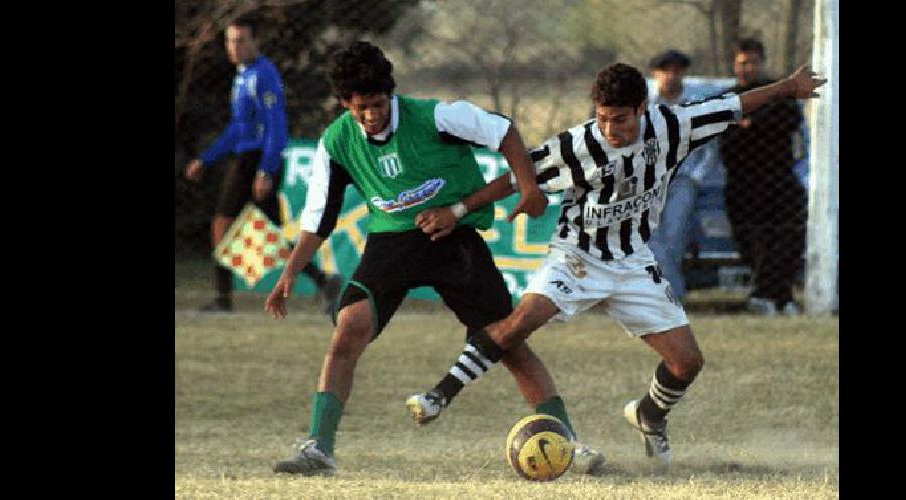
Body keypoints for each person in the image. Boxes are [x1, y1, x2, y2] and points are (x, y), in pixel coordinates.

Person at [406, 62, 825, 464]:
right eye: (603, 118)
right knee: (524, 319)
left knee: (687, 362)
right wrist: (458, 210)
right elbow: (517, 176)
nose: (611, 129)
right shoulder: (578, 144)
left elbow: (733, 106)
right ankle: (439, 394)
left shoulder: (673, 126)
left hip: (632, 260)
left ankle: (649, 416)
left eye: (620, 119)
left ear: (643, 109)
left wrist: (789, 87)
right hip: (577, 255)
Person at [263, 41, 604, 476]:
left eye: (378, 103)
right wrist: (290, 274)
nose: (371, 115)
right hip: (391, 245)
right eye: (360, 107)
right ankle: (319, 449)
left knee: (507, 342)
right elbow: (318, 218)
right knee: (349, 329)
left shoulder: (437, 117)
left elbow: (505, 132)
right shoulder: (336, 143)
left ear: (391, 93)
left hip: (454, 237)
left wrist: (529, 188)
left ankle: (569, 444)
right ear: (345, 103)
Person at [184, 15, 339, 313]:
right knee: (270, 236)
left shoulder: (263, 74)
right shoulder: (242, 75)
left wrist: (266, 169)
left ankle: (223, 299)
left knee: (222, 224)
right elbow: (238, 127)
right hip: (246, 158)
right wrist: (207, 158)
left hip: (256, 160)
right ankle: (323, 281)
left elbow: (276, 126)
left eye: (242, 40)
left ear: (256, 41)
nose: (235, 47)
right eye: (230, 40)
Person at [720, 38, 809, 316]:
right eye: (743, 62)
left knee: (789, 234)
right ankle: (775, 296)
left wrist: (751, 123)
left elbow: (788, 120)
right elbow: (727, 138)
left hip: (779, 178)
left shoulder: (778, 93)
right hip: (743, 181)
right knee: (753, 239)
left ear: (762, 63)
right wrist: (754, 125)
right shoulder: (727, 98)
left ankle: (771, 295)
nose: (748, 68)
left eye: (753, 62)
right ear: (735, 65)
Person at [645, 50, 729, 306]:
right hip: (650, 180)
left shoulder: (695, 105)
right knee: (650, 236)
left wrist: (695, 177)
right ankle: (671, 294)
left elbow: (711, 148)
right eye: (665, 70)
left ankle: (667, 293)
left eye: (676, 70)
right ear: (655, 74)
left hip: (682, 179)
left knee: (675, 235)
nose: (671, 76)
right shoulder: (644, 105)